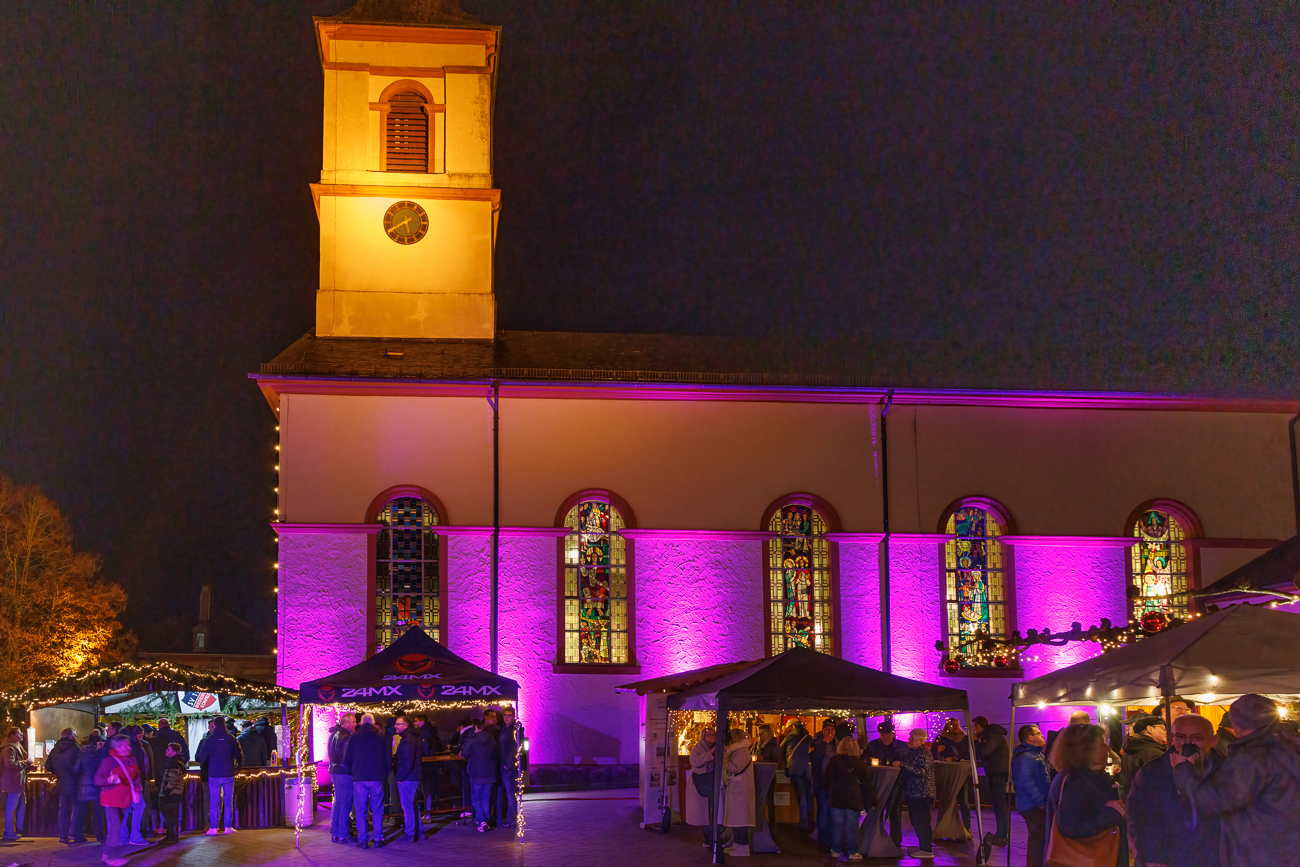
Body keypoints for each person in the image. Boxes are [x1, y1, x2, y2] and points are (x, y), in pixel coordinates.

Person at [1172, 694, 1300, 867]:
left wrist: (1182, 770)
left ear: (1236, 723)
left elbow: (1216, 800)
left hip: (1260, 853)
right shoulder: (1289, 747)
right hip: (1286, 849)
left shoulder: (1253, 754)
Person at [1128, 713, 1221, 867]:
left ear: (1213, 740)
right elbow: (1140, 816)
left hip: (1214, 857)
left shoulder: (1226, 770)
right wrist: (1154, 857)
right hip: (1167, 858)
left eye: (1197, 737)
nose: (1187, 744)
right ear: (1172, 737)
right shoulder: (1153, 771)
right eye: (1180, 737)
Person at [1045, 724, 1126, 867]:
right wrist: (1114, 812)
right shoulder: (1077, 782)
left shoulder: (1076, 777)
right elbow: (1074, 826)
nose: (1107, 748)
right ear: (1085, 750)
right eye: (1101, 744)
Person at [94, 734, 143, 867]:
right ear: (118, 747)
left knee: (118, 825)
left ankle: (108, 855)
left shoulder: (131, 759)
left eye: (129, 744)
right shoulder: (110, 761)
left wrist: (137, 788)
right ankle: (110, 855)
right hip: (110, 797)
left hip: (124, 798)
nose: (128, 747)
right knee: (115, 825)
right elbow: (97, 779)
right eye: (125, 745)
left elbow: (135, 775)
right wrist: (108, 780)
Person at [342, 713, 388, 849]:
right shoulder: (381, 737)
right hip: (377, 777)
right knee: (377, 809)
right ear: (373, 723)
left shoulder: (354, 737)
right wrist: (384, 773)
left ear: (360, 723)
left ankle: (363, 839)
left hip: (359, 777)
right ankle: (378, 838)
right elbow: (387, 758)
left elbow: (347, 759)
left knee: (361, 810)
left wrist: (353, 772)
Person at [194, 716, 243, 835]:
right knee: (228, 801)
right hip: (228, 773)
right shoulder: (231, 738)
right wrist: (238, 769)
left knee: (214, 802)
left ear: (215, 725)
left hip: (213, 774)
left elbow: (201, 757)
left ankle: (213, 827)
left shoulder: (209, 740)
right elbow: (239, 755)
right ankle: (227, 827)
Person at [1011, 724, 1050, 867]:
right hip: (1031, 805)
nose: (1042, 735)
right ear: (1030, 737)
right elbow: (1024, 781)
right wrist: (1041, 802)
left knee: (1039, 837)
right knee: (1037, 838)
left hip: (1035, 804)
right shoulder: (1025, 756)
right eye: (1039, 733)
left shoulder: (1035, 754)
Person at [827, 735, 870, 861]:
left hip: (837, 797)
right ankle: (853, 851)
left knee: (837, 825)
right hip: (853, 798)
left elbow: (827, 778)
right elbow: (866, 782)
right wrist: (871, 800)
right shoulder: (859, 763)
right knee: (852, 826)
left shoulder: (834, 761)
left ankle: (835, 850)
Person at [866, 719, 907, 847]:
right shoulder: (873, 745)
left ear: (893, 733)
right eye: (882, 733)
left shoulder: (902, 746)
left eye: (888, 733)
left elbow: (909, 764)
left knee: (895, 813)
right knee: (876, 812)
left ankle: (895, 841)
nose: (885, 736)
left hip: (896, 785)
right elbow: (864, 761)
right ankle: (875, 837)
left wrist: (901, 765)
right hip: (877, 784)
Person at [971, 716, 1010, 846]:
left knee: (999, 804)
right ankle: (1001, 833)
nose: (974, 730)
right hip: (998, 773)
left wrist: (976, 742)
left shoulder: (991, 736)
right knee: (998, 804)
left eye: (974, 726)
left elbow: (985, 752)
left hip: (997, 774)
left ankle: (1002, 835)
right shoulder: (992, 734)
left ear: (979, 726)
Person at [898, 727, 936, 860]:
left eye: (912, 738)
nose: (909, 740)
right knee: (917, 821)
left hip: (922, 793)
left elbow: (921, 772)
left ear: (920, 741)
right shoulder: (913, 752)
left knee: (922, 821)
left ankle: (926, 849)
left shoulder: (924, 754)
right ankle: (924, 848)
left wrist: (902, 765)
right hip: (915, 793)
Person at [930, 718, 972, 833]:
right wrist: (937, 750)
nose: (955, 728)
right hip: (947, 773)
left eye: (956, 725)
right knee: (947, 800)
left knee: (964, 800)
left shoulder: (965, 739)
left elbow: (969, 755)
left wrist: (956, 758)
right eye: (952, 726)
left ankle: (967, 826)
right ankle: (945, 827)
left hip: (962, 773)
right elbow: (932, 755)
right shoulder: (942, 739)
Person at [720, 728, 756, 858]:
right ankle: (737, 844)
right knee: (737, 818)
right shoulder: (739, 750)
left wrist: (725, 761)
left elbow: (735, 768)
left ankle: (742, 845)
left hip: (740, 788)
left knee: (740, 818)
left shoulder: (741, 751)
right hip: (738, 787)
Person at [461, 718, 499, 832]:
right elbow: (496, 756)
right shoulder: (493, 741)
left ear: (477, 728)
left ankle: (482, 821)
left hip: (476, 773)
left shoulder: (472, 740)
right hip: (490, 773)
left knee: (476, 797)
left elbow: (465, 754)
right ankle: (485, 820)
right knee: (486, 797)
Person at [687, 727, 721, 848]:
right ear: (703, 736)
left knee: (715, 810)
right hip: (702, 782)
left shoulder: (719, 746)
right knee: (705, 812)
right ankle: (708, 838)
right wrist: (710, 754)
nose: (712, 737)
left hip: (715, 781)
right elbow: (695, 761)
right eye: (709, 735)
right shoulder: (697, 748)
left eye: (714, 735)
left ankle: (714, 837)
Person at [391, 716, 424, 843]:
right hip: (413, 776)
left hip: (408, 777)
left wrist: (400, 777)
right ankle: (419, 831)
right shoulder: (412, 737)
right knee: (412, 805)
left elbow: (407, 761)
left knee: (407, 806)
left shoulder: (407, 740)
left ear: (405, 726)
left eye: (397, 724)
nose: (395, 726)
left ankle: (410, 833)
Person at [47, 727, 82, 843]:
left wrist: (59, 772)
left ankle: (63, 836)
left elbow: (48, 766)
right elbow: (80, 766)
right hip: (75, 783)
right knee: (76, 809)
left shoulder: (54, 750)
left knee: (63, 810)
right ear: (72, 736)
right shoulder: (76, 749)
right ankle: (75, 834)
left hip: (62, 783)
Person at [1120, 715, 1166, 798]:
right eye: (1162, 728)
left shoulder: (1129, 749)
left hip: (1132, 802)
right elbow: (1160, 787)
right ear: (1150, 729)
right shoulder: (1154, 753)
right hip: (1150, 805)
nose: (1166, 731)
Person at [74, 733, 108, 844]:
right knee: (99, 811)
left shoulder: (82, 751)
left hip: (84, 783)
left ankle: (78, 836)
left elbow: (77, 768)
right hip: (98, 783)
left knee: (81, 812)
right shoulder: (102, 752)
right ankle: (100, 835)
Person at [1, 727, 34, 840]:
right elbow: (10, 764)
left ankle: (18, 829)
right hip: (13, 782)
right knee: (11, 807)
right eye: (19, 734)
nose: (21, 736)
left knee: (19, 805)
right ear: (12, 736)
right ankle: (8, 831)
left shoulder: (17, 746)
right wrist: (26, 763)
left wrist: (29, 766)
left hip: (18, 782)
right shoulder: (9, 748)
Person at [122, 726, 153, 844]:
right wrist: (138, 781)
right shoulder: (137, 746)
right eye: (140, 734)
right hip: (134, 781)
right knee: (140, 806)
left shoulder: (131, 745)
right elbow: (138, 765)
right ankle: (135, 835)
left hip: (129, 781)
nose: (142, 736)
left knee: (128, 808)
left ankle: (124, 836)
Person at [328, 713, 356, 844]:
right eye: (354, 722)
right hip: (344, 773)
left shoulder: (333, 735)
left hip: (334, 772)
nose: (355, 724)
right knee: (345, 803)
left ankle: (335, 832)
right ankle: (342, 835)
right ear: (346, 723)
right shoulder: (346, 737)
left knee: (338, 803)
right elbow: (346, 758)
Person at [810, 720, 837, 851]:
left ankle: (833, 839)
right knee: (823, 811)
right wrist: (824, 743)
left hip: (835, 784)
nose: (829, 732)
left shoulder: (837, 743)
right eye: (827, 729)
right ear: (822, 730)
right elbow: (813, 758)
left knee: (833, 812)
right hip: (821, 783)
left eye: (832, 729)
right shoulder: (815, 742)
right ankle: (823, 841)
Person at [781, 721, 813, 831]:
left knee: (802, 796)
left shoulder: (789, 738)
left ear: (792, 727)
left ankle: (804, 823)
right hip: (808, 769)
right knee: (808, 796)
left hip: (795, 769)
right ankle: (811, 822)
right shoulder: (809, 737)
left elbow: (780, 751)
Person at [497, 706, 523, 828]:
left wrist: (509, 763)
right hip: (503, 764)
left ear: (513, 716)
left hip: (509, 766)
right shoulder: (503, 729)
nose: (506, 718)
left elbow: (516, 747)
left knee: (510, 793)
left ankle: (511, 819)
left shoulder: (515, 729)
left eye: (509, 715)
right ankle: (507, 817)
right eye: (505, 715)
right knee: (506, 793)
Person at [752, 724, 780, 828]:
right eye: (759, 733)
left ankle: (771, 824)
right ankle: (760, 822)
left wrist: (762, 759)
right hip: (757, 775)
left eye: (761, 733)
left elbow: (777, 759)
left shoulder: (774, 745)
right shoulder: (758, 744)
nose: (759, 735)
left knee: (769, 800)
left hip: (769, 775)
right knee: (760, 799)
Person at [413, 714, 441, 818]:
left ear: (421, 721)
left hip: (425, 764)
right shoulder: (429, 731)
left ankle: (427, 812)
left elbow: (424, 750)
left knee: (425, 789)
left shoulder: (424, 733)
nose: (415, 723)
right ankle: (428, 811)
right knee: (427, 788)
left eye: (416, 721)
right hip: (431, 764)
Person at [158, 741, 186, 844]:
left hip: (172, 794)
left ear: (173, 752)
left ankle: (171, 837)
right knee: (172, 816)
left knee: (170, 816)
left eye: (168, 749)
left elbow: (172, 780)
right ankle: (171, 836)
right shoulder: (177, 761)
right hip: (175, 793)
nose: (166, 750)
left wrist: (165, 792)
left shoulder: (173, 762)